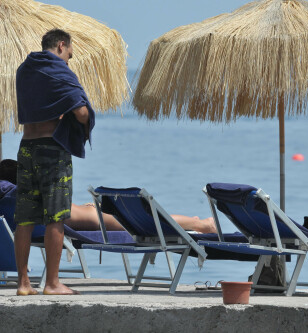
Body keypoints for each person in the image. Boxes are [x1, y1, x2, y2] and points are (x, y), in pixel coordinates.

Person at [14, 29, 94, 296]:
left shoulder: (24, 70)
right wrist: (81, 120)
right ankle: (52, 283)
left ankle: (23, 283)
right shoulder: (60, 70)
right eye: (69, 55)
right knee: (56, 217)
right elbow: (81, 113)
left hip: (26, 147)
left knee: (24, 218)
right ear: (62, 45)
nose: (68, 60)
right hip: (52, 150)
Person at [0, 159, 217, 233]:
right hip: (94, 219)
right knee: (147, 219)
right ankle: (198, 224)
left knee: (149, 220)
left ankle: (197, 224)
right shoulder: (31, 201)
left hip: (93, 218)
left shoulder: (18, 204)